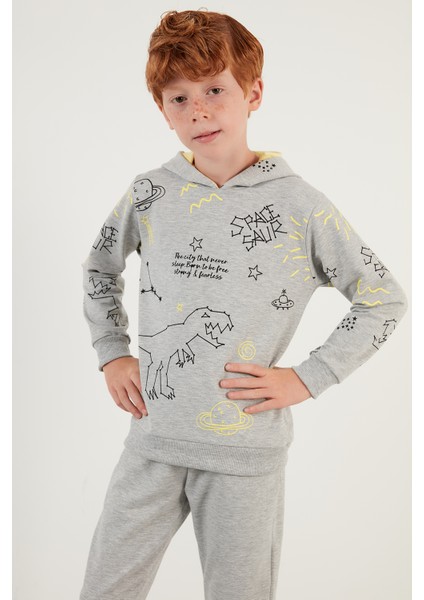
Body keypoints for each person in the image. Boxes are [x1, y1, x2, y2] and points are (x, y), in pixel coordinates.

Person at [79, 9, 408, 600]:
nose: (198, 111)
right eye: (179, 98)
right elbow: (100, 267)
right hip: (153, 441)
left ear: (253, 93)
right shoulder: (149, 193)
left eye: (214, 90)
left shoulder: (302, 206)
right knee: (105, 587)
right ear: (162, 110)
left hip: (246, 453)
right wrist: (112, 351)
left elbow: (383, 298)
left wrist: (308, 378)